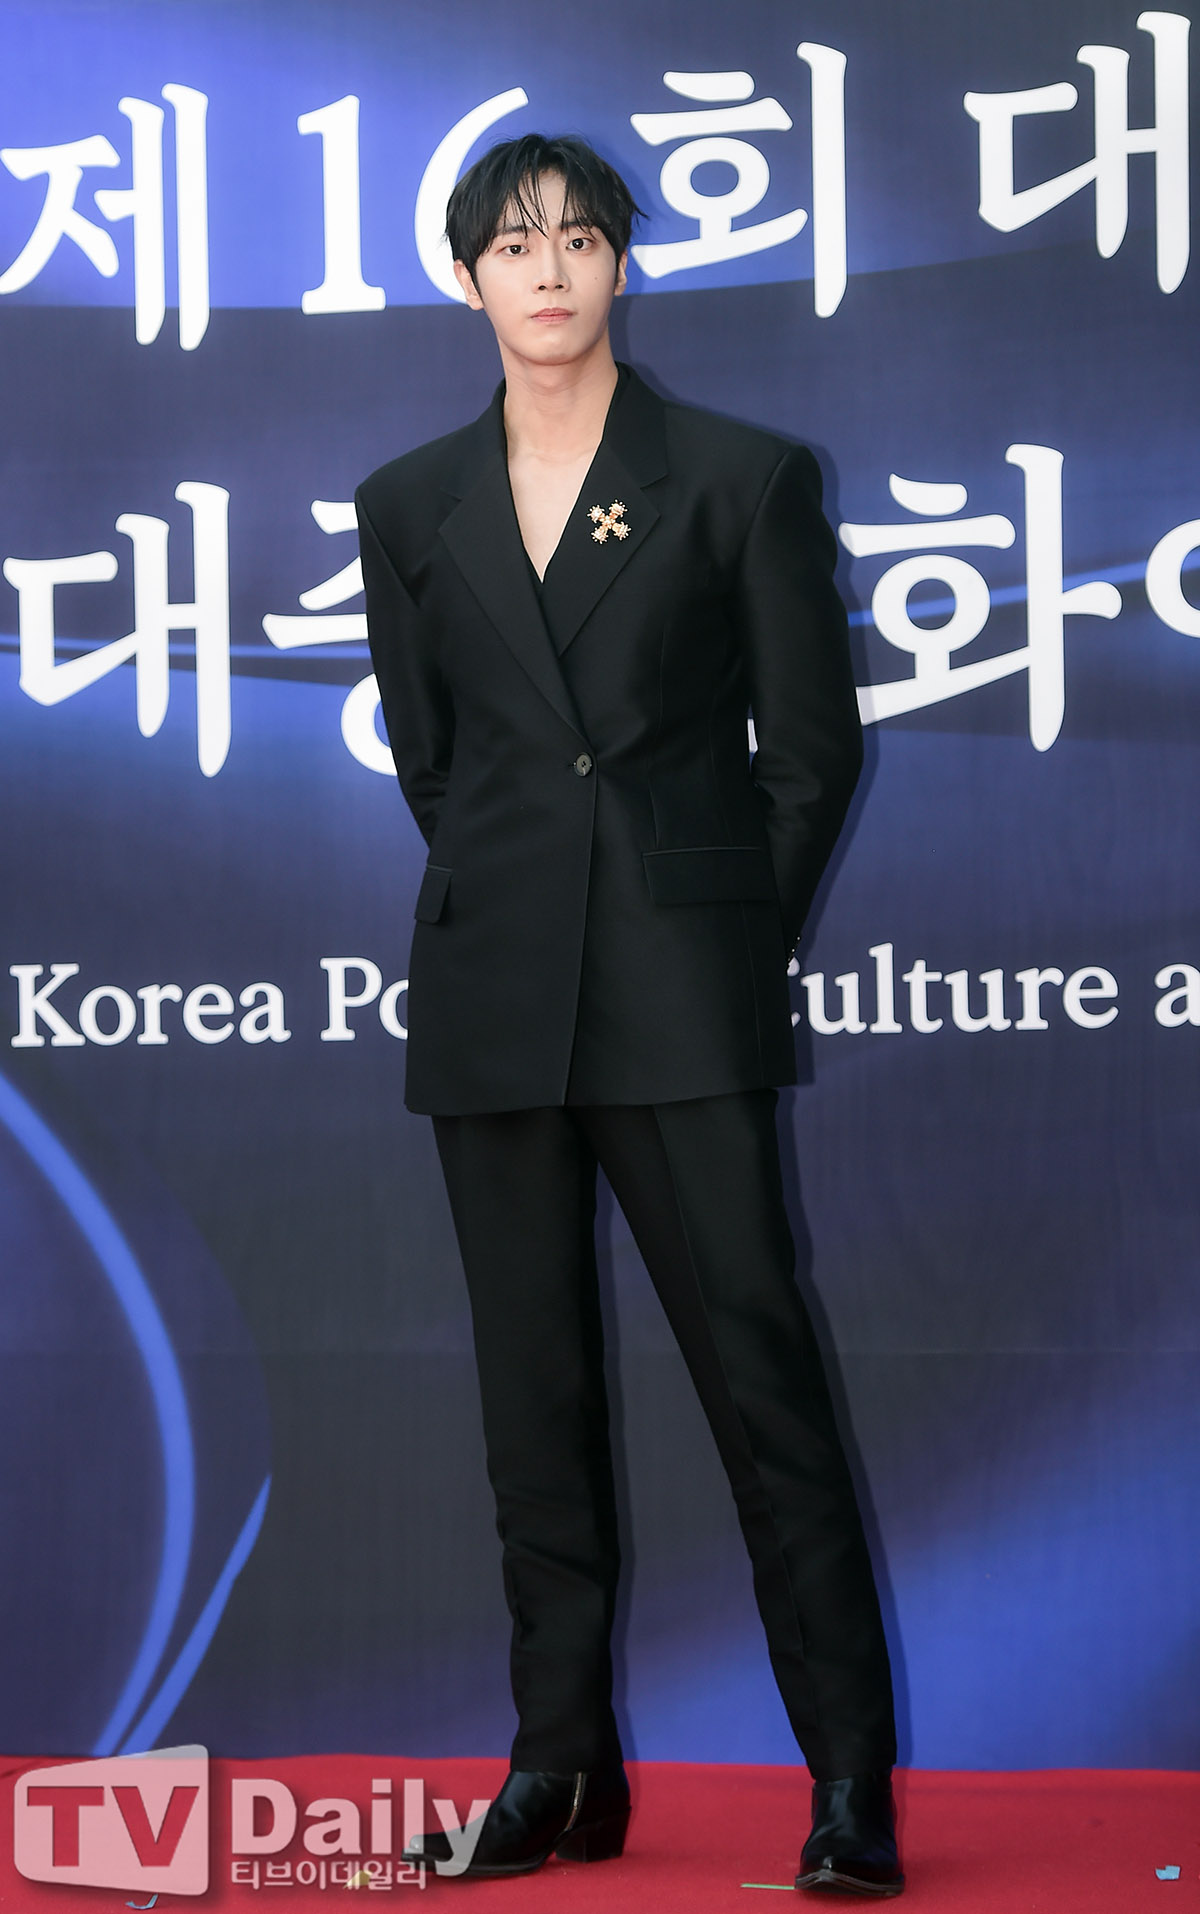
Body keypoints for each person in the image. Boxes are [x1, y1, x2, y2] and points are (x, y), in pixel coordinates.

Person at [355, 132, 903, 1897]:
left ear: (620, 265)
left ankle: (848, 1783)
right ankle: (559, 1771)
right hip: (495, 995)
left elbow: (810, 752)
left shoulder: (738, 476)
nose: (550, 270)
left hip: (680, 993)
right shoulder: (407, 501)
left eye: (581, 238)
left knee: (763, 1384)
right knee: (534, 1410)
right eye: (515, 245)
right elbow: (438, 766)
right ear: (467, 278)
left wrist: (711, 935)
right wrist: (531, 901)